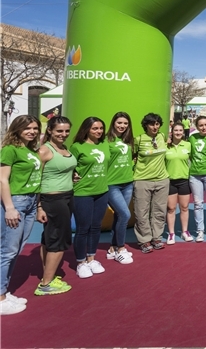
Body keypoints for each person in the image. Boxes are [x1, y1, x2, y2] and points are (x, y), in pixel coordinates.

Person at [0, 115, 41, 314]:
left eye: (35, 128)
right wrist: (9, 207)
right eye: (27, 128)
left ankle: (4, 292)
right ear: (17, 129)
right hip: (16, 201)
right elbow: (2, 180)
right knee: (7, 250)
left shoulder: (29, 150)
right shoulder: (10, 150)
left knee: (16, 249)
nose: (32, 131)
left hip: (31, 202)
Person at [35, 116, 76, 295]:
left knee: (49, 238)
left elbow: (59, 169)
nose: (63, 134)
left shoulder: (63, 148)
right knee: (58, 240)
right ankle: (46, 284)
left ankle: (48, 275)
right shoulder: (44, 150)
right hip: (53, 200)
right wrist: (39, 206)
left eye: (66, 131)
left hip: (66, 196)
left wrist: (71, 176)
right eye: (59, 131)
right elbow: (35, 180)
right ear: (50, 130)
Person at [70, 117, 110, 278]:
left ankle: (91, 258)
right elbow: (68, 166)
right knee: (83, 228)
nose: (98, 131)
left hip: (102, 191)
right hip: (83, 192)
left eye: (101, 128)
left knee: (96, 226)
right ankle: (80, 262)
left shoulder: (104, 144)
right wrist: (72, 174)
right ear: (86, 129)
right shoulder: (77, 147)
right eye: (94, 128)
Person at [133, 113, 170, 253]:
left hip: (162, 179)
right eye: (151, 124)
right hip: (143, 180)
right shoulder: (139, 140)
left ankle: (156, 237)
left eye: (157, 124)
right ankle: (144, 240)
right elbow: (132, 156)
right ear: (145, 125)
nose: (155, 127)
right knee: (141, 212)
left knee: (159, 211)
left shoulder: (162, 137)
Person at [104, 112, 135, 264]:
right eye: (119, 123)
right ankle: (121, 248)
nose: (122, 126)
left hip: (128, 182)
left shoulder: (128, 140)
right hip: (111, 184)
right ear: (113, 123)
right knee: (125, 214)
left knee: (118, 215)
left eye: (125, 123)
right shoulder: (105, 140)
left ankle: (112, 248)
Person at [165, 122, 192, 243]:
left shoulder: (188, 145)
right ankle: (171, 233)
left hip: (184, 180)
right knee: (171, 208)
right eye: (176, 130)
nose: (178, 133)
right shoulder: (166, 146)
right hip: (170, 181)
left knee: (184, 207)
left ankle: (184, 231)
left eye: (180, 130)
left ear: (183, 132)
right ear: (172, 132)